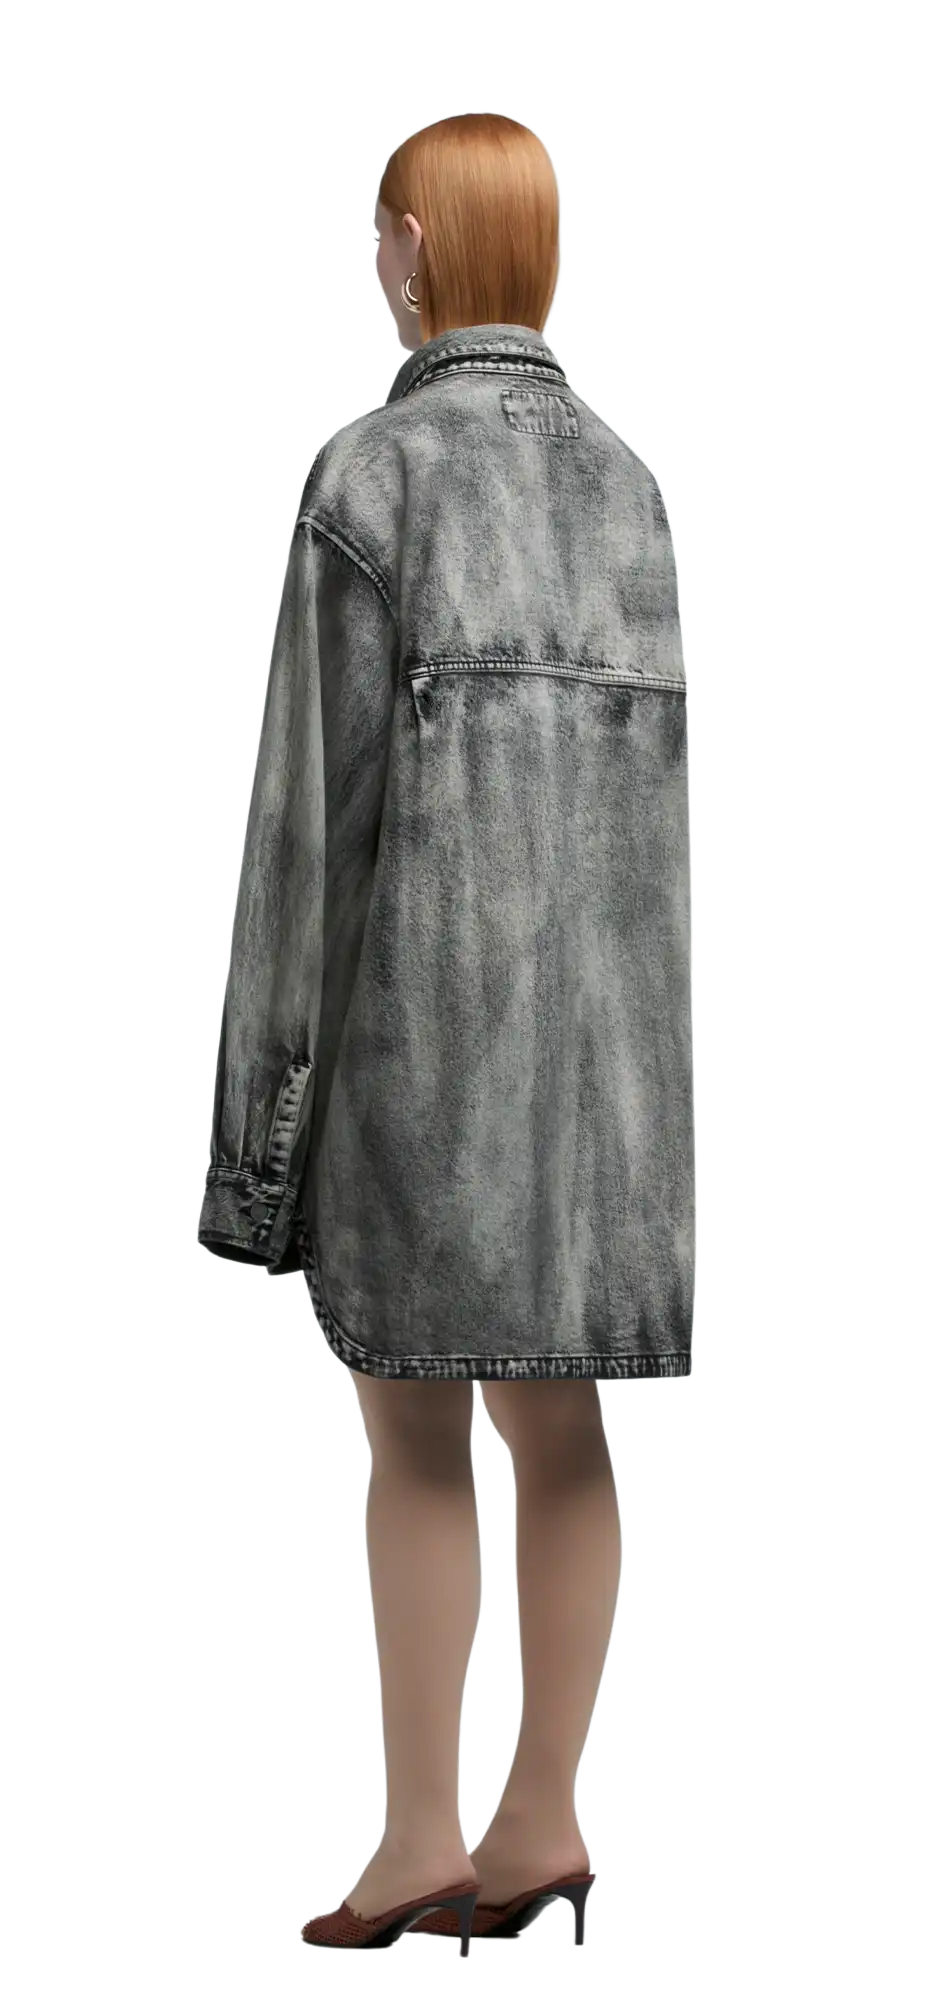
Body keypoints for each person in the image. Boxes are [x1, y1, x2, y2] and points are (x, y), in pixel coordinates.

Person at [198, 111, 695, 1954]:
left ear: (413, 243)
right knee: (558, 1426)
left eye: (375, 233)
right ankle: (540, 1819)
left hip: (424, 1058)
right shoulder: (632, 488)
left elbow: (303, 835)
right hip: (607, 1091)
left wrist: (260, 1152)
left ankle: (418, 1842)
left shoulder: (373, 475)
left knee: (412, 1433)